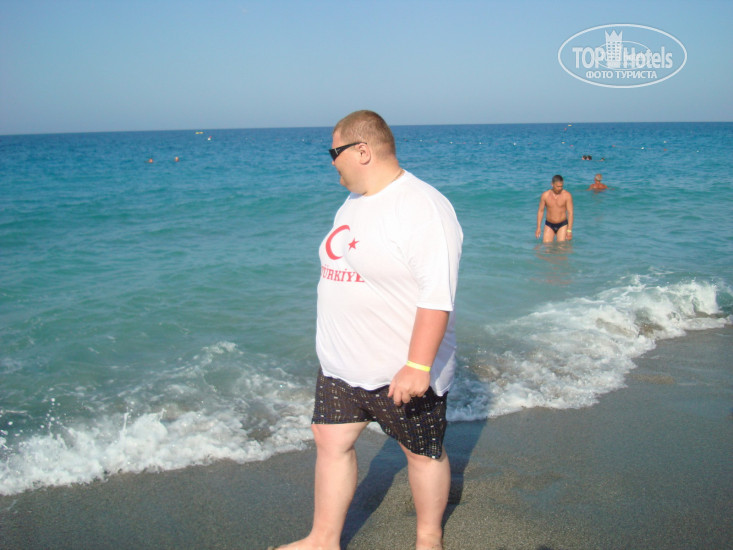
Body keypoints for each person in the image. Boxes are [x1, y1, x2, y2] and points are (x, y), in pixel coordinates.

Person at [273, 111, 462, 550]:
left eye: (333, 152)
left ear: (362, 151)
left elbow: (437, 295)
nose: (330, 162)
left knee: (422, 453)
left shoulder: (422, 207)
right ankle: (322, 539)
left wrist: (418, 366)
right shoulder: (353, 201)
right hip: (341, 364)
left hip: (400, 368)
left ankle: (428, 539)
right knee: (330, 440)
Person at [536, 174, 573, 242]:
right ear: (552, 184)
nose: (560, 188)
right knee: (546, 245)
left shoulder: (567, 195)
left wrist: (569, 230)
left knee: (561, 246)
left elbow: (570, 213)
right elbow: (540, 211)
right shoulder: (545, 195)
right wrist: (538, 227)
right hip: (549, 224)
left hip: (562, 224)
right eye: (558, 186)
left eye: (561, 186)